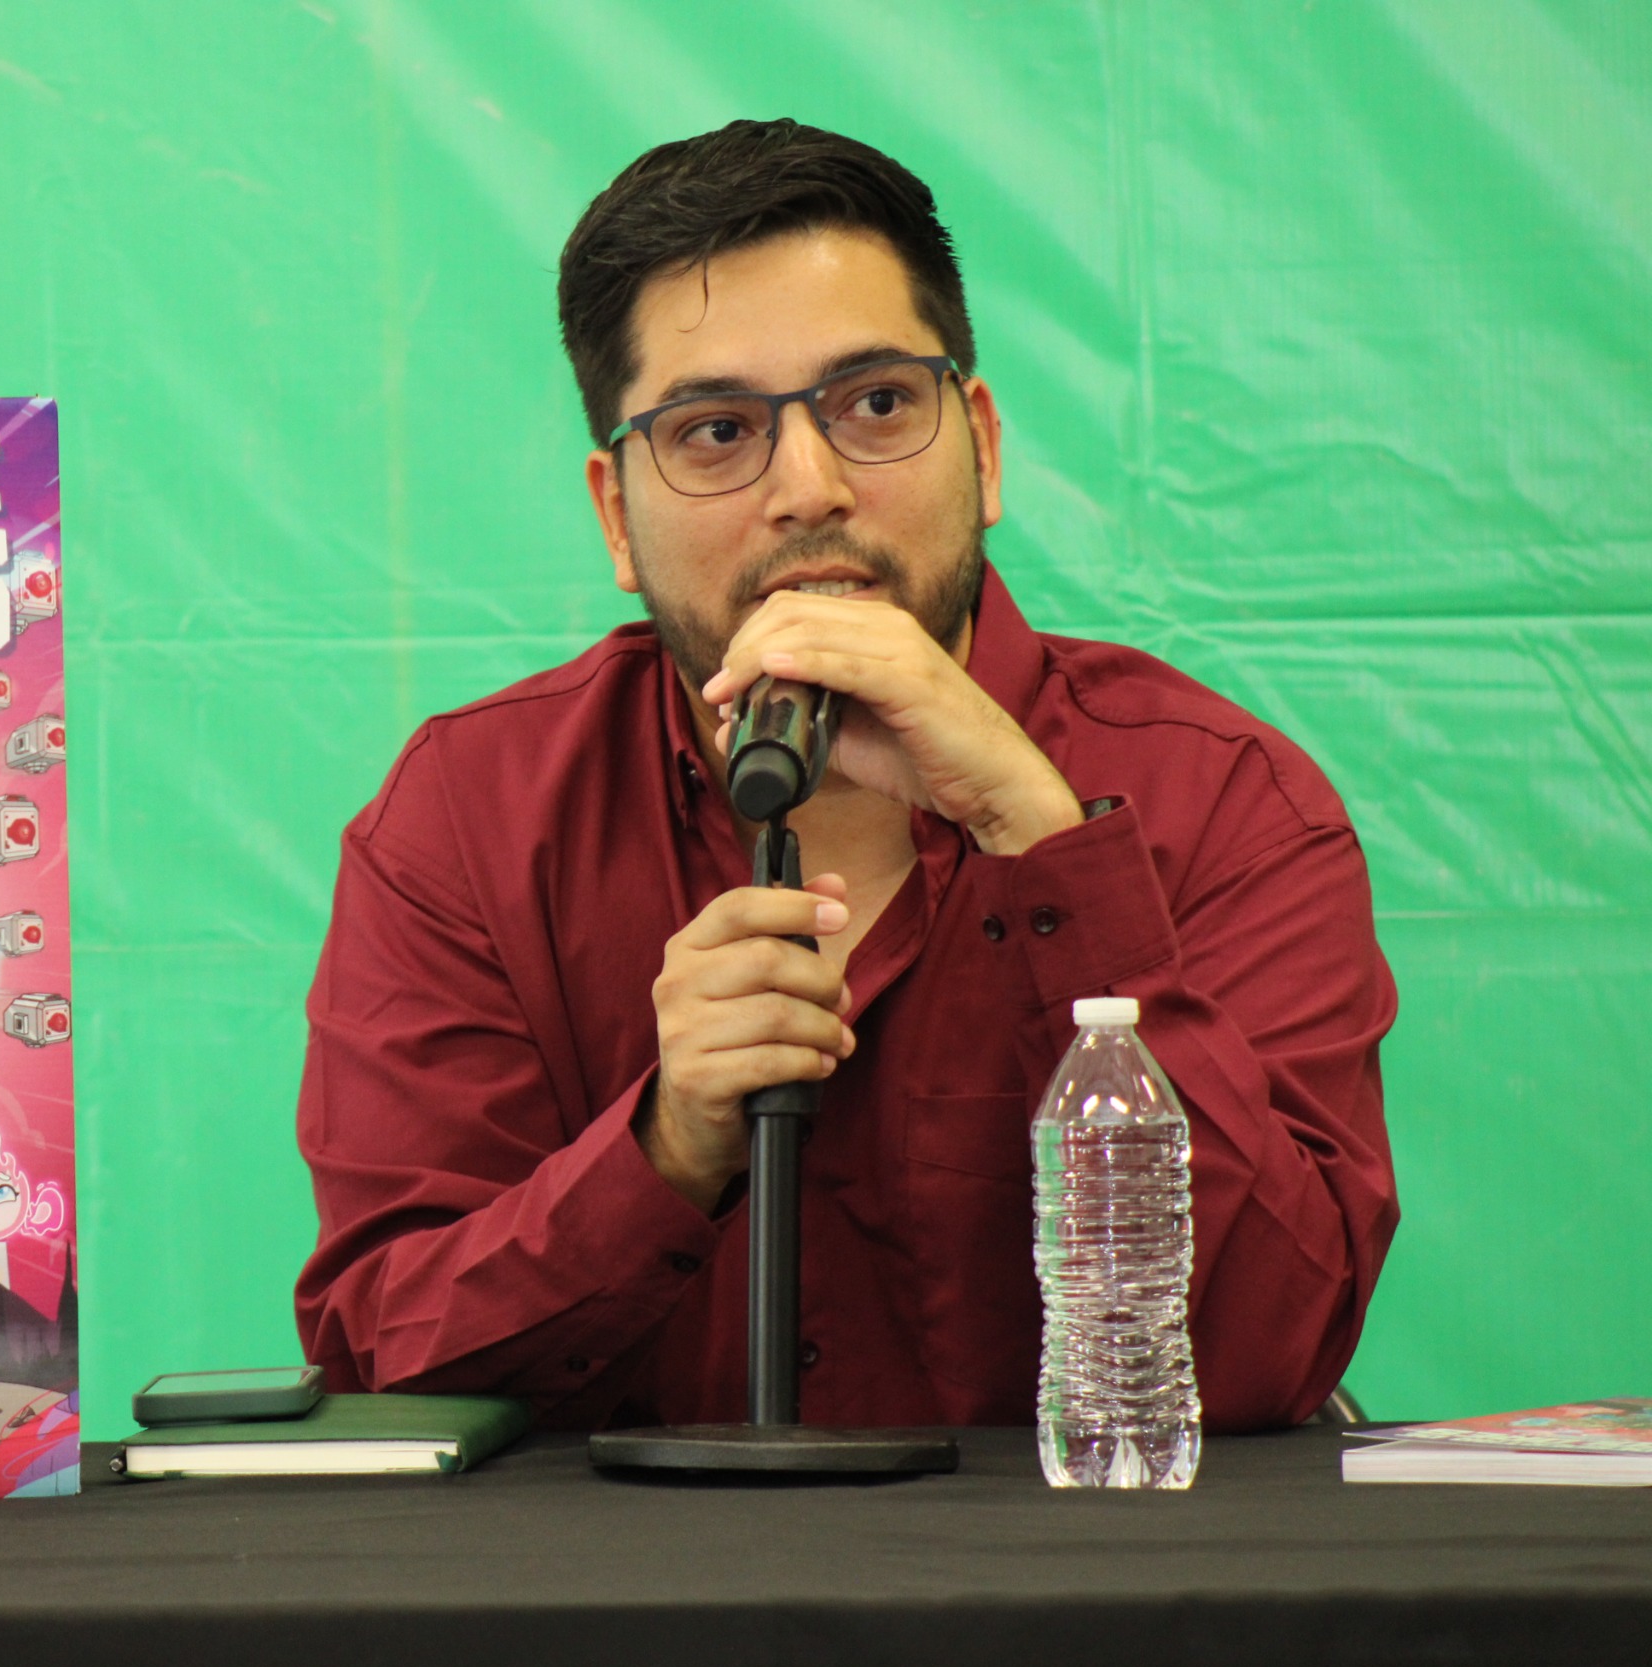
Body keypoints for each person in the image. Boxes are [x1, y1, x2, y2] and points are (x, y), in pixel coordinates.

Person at [293, 119, 1399, 1433]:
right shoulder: (470, 817)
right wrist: (666, 1149)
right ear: (616, 517)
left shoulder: (1220, 799)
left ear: (981, 447)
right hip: (637, 1571)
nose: (809, 488)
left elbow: (1276, 1344)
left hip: (1070, 1565)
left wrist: (1038, 837)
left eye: (875, 405)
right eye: (716, 431)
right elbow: (384, 1350)